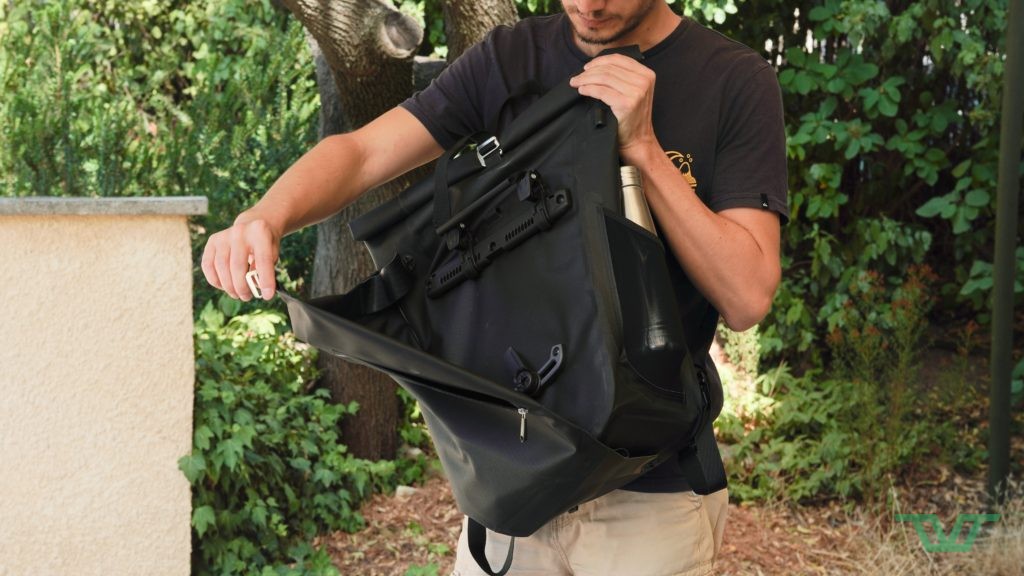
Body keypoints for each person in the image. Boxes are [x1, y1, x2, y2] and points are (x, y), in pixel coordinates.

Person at [202, 1, 787, 574]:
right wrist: (265, 216)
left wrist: (643, 149)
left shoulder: (732, 81)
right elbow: (360, 154)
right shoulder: (512, 58)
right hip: (513, 485)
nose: (589, 4)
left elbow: (747, 295)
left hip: (649, 497)